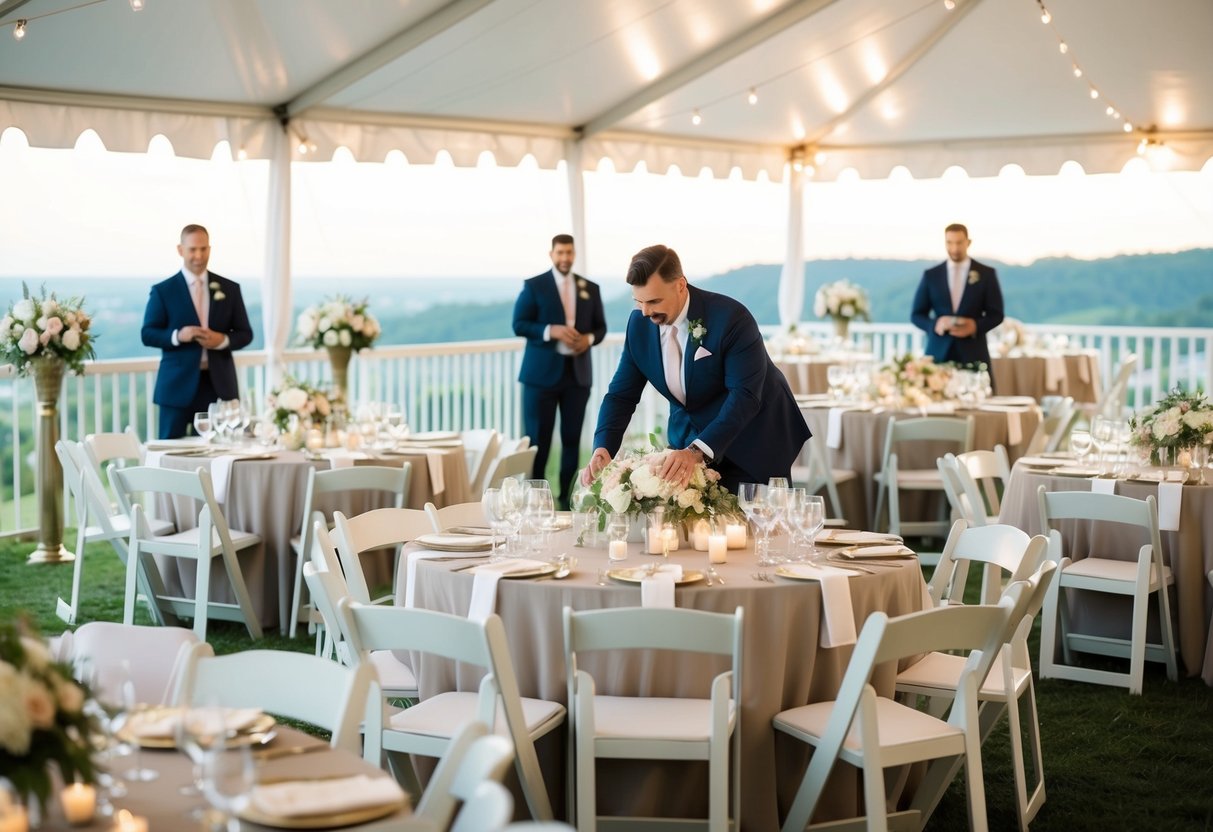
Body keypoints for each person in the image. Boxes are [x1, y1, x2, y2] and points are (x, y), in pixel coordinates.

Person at [584, 244, 810, 493]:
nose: (646, 312)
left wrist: (695, 451)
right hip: (688, 442)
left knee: (756, 517)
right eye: (639, 301)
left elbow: (744, 396)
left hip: (753, 440)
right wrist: (603, 446)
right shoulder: (639, 324)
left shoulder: (731, 318)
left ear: (681, 285)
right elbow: (621, 395)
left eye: (654, 301)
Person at [513, 234, 607, 509]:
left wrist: (588, 339)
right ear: (551, 254)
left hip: (577, 376)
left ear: (574, 254)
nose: (565, 257)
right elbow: (519, 324)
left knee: (572, 440)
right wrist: (549, 330)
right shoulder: (534, 286)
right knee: (537, 442)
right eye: (560, 252)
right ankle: (534, 501)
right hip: (540, 378)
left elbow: (601, 328)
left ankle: (567, 500)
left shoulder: (589, 288)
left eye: (569, 252)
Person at [141, 224, 254, 439]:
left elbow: (245, 333)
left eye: (203, 249)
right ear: (180, 250)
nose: (199, 256)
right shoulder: (163, 291)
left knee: (217, 451)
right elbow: (147, 334)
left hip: (218, 386)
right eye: (193, 249)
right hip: (176, 387)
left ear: (209, 249)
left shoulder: (230, 289)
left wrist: (222, 340)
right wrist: (178, 336)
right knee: (170, 451)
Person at [911, 223, 1004, 370]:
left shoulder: (986, 274)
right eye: (949, 243)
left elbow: (997, 314)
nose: (954, 248)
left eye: (959, 243)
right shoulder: (931, 275)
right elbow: (916, 315)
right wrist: (935, 324)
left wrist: (975, 326)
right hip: (938, 353)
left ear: (968, 242)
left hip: (974, 353)